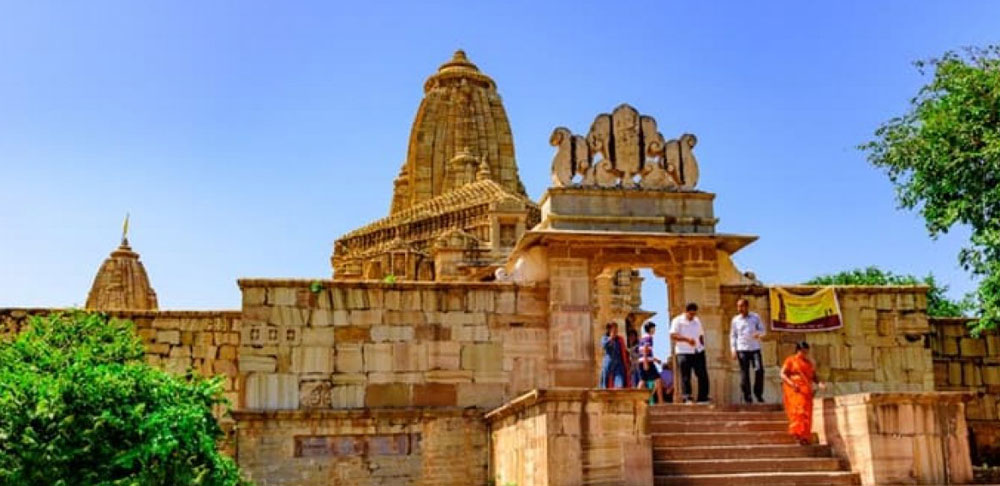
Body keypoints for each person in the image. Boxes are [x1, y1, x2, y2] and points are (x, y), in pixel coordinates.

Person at [780, 341, 825, 445]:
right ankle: (798, 435)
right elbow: (782, 374)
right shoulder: (791, 360)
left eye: (807, 352)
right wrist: (792, 384)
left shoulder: (808, 363)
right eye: (803, 351)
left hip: (806, 391)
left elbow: (813, 376)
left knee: (807, 414)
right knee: (798, 412)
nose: (805, 354)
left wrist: (819, 383)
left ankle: (805, 436)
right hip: (795, 390)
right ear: (798, 350)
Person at [670, 302, 710, 403]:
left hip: (697, 351)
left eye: (694, 314)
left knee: (702, 374)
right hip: (683, 351)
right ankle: (687, 397)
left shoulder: (697, 321)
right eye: (691, 314)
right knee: (685, 375)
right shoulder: (677, 321)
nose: (692, 316)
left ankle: (703, 397)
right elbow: (673, 335)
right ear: (686, 312)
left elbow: (701, 335)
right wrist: (687, 340)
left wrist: (702, 345)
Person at [730, 298, 766, 403]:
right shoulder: (735, 320)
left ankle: (758, 393)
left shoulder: (755, 317)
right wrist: (733, 349)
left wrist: (759, 334)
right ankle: (747, 396)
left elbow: (763, 330)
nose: (739, 309)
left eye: (741, 306)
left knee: (759, 370)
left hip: (755, 348)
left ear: (747, 306)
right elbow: (733, 335)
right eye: (738, 306)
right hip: (742, 349)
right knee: (744, 373)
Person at [638, 322, 666, 403]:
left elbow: (644, 351)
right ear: (650, 329)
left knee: (642, 380)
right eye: (653, 328)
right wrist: (646, 362)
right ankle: (661, 401)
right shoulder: (649, 338)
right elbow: (645, 349)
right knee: (658, 380)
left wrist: (655, 360)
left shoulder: (642, 338)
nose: (654, 330)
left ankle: (635, 399)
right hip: (647, 362)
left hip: (642, 361)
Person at [599, 321, 631, 389]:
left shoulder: (620, 339)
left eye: (616, 328)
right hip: (608, 363)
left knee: (619, 383)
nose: (616, 330)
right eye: (614, 328)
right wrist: (611, 338)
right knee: (606, 384)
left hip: (619, 364)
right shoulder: (605, 338)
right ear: (609, 329)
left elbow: (624, 351)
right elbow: (604, 345)